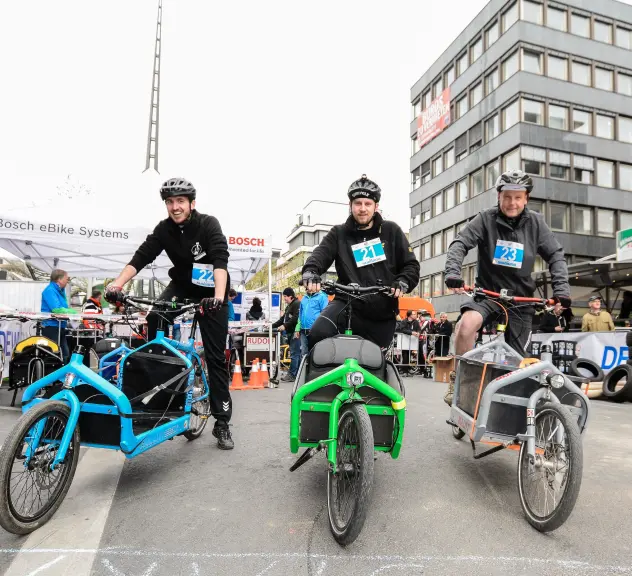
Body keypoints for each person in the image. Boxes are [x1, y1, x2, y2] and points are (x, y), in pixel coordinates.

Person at [105, 178, 234, 450]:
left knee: (214, 357)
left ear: (191, 203)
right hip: (182, 286)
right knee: (155, 317)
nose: (175, 207)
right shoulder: (164, 229)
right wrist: (117, 284)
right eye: (170, 202)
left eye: (180, 202)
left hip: (212, 290)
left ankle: (222, 423)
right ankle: (160, 388)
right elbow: (141, 257)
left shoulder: (208, 224)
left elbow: (220, 261)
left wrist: (219, 298)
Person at [443, 169, 571, 405]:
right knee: (466, 326)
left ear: (526, 199)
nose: (512, 203)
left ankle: (509, 407)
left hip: (521, 300)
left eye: (518, 197)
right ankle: (459, 380)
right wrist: (453, 272)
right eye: (507, 196)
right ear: (498, 196)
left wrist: (561, 290)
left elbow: (555, 255)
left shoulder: (536, 223)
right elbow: (460, 244)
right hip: (488, 294)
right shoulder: (486, 219)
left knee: (517, 362)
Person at [301, 174, 420, 349]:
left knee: (375, 365)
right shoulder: (338, 233)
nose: (362, 208)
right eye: (358, 203)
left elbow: (411, 265)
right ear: (350, 206)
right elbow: (320, 254)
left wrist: (402, 282)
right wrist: (311, 271)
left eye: (367, 203)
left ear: (376, 206)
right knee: (318, 335)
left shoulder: (391, 231)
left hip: (381, 311)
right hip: (345, 304)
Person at [41, 269, 76, 362]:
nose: (67, 281)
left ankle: (61, 375)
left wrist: (70, 312)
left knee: (64, 353)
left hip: (59, 326)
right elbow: (56, 309)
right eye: (66, 279)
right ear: (59, 279)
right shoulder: (50, 290)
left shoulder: (59, 290)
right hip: (51, 326)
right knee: (54, 353)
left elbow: (62, 308)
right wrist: (73, 312)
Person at [272, 287, 301, 381]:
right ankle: (296, 374)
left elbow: (295, 318)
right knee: (295, 354)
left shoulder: (297, 304)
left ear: (290, 296)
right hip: (290, 333)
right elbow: (283, 319)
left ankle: (292, 375)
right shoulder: (289, 306)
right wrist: (271, 325)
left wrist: (285, 326)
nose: (284, 299)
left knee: (294, 354)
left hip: (295, 332)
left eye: (285, 296)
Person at [294, 285, 329, 357]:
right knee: (303, 354)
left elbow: (325, 314)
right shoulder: (304, 298)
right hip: (303, 330)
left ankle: (311, 368)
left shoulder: (322, 297)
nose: (307, 287)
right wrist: (297, 328)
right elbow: (300, 314)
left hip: (315, 331)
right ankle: (304, 368)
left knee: (315, 353)